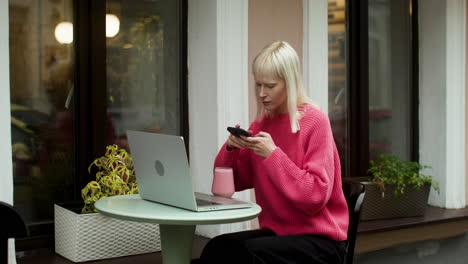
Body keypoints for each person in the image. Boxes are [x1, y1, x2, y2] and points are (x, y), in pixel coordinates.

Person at [193, 41, 349, 264]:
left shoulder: (315, 122)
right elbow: (228, 186)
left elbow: (314, 197)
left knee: (249, 254)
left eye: (270, 86)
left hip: (322, 241)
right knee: (218, 248)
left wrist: (273, 155)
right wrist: (230, 149)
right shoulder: (262, 125)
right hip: (279, 234)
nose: (262, 94)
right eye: (258, 85)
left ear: (290, 83)